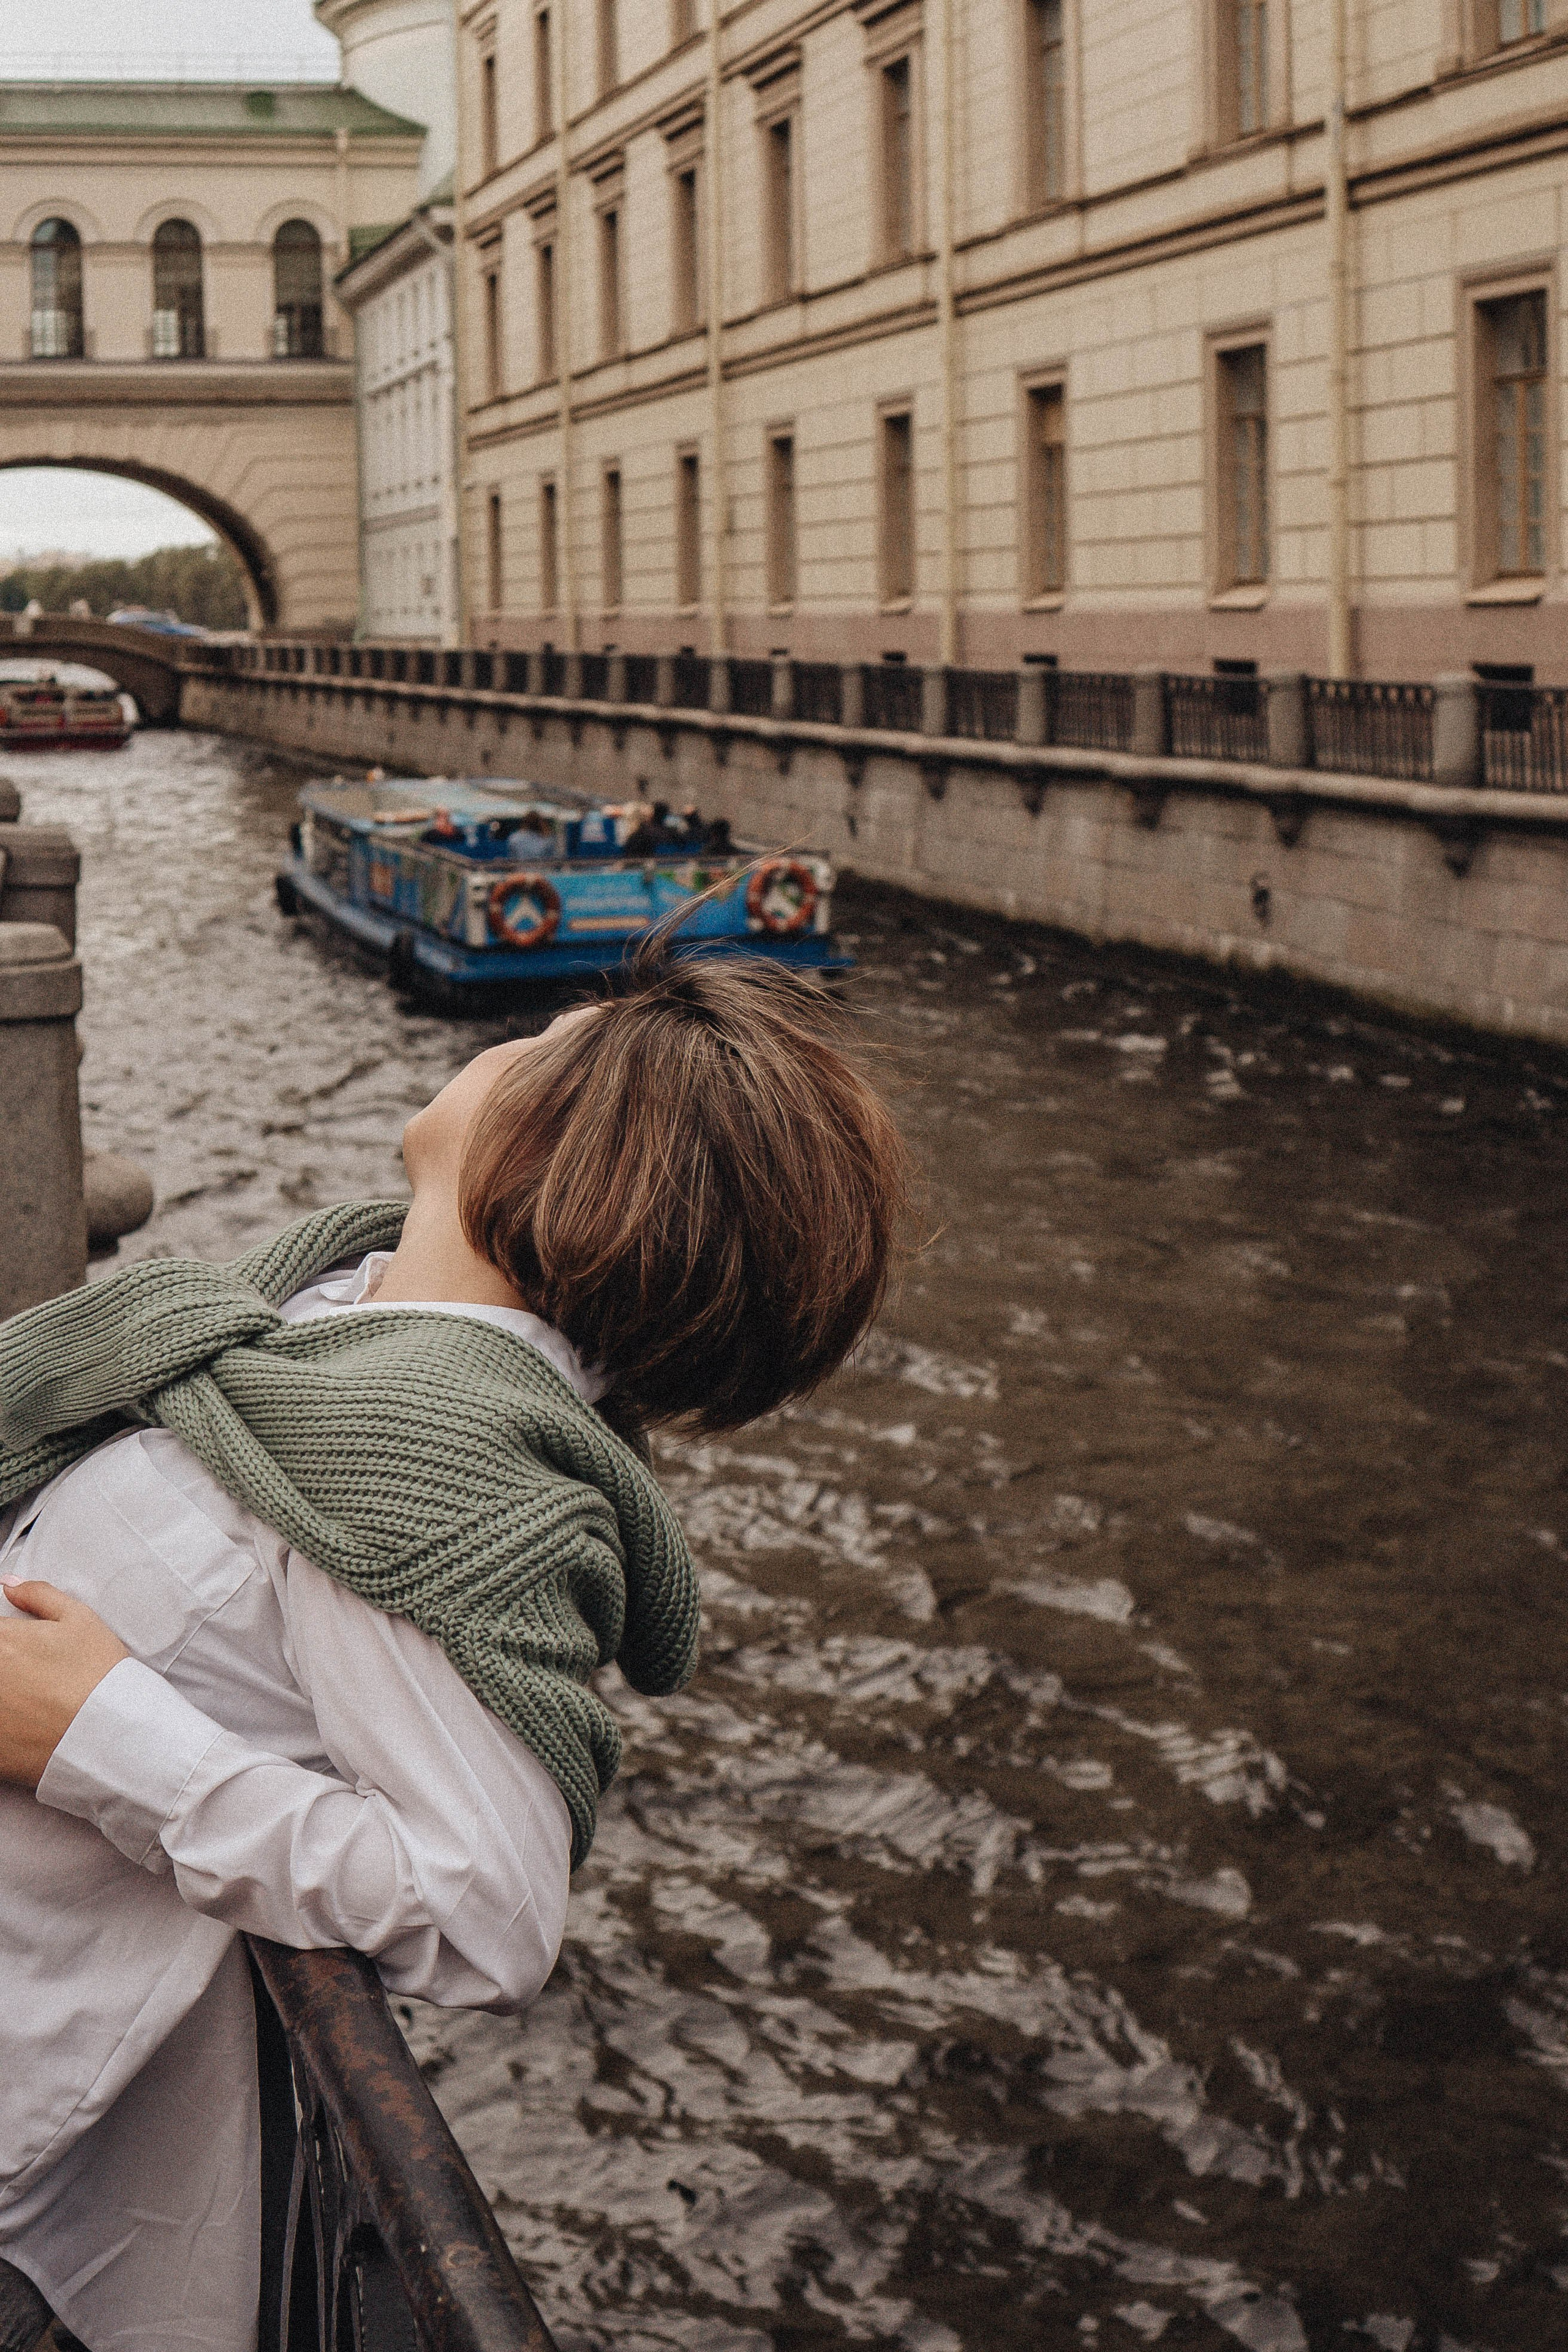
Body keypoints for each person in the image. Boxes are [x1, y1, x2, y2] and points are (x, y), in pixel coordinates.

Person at [0, 931, 910, 2352]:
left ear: (571, 1140)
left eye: (557, 1035)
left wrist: (99, 1732)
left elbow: (488, 1913)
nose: (522, 1034)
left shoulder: (425, 1457)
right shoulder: (320, 1319)